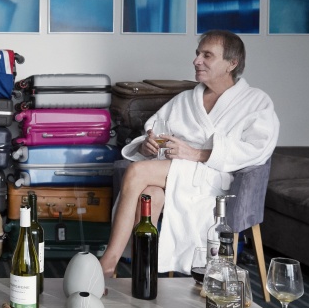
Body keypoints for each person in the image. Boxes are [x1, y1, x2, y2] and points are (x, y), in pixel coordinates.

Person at [98, 30, 279, 278]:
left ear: (232, 63)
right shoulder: (186, 99)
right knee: (149, 196)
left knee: (136, 171)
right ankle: (144, 273)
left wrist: (197, 154)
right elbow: (155, 129)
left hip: (218, 178)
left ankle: (108, 263)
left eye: (207, 55)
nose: (196, 61)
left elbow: (258, 149)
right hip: (177, 171)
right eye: (197, 54)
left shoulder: (256, 101)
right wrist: (146, 146)